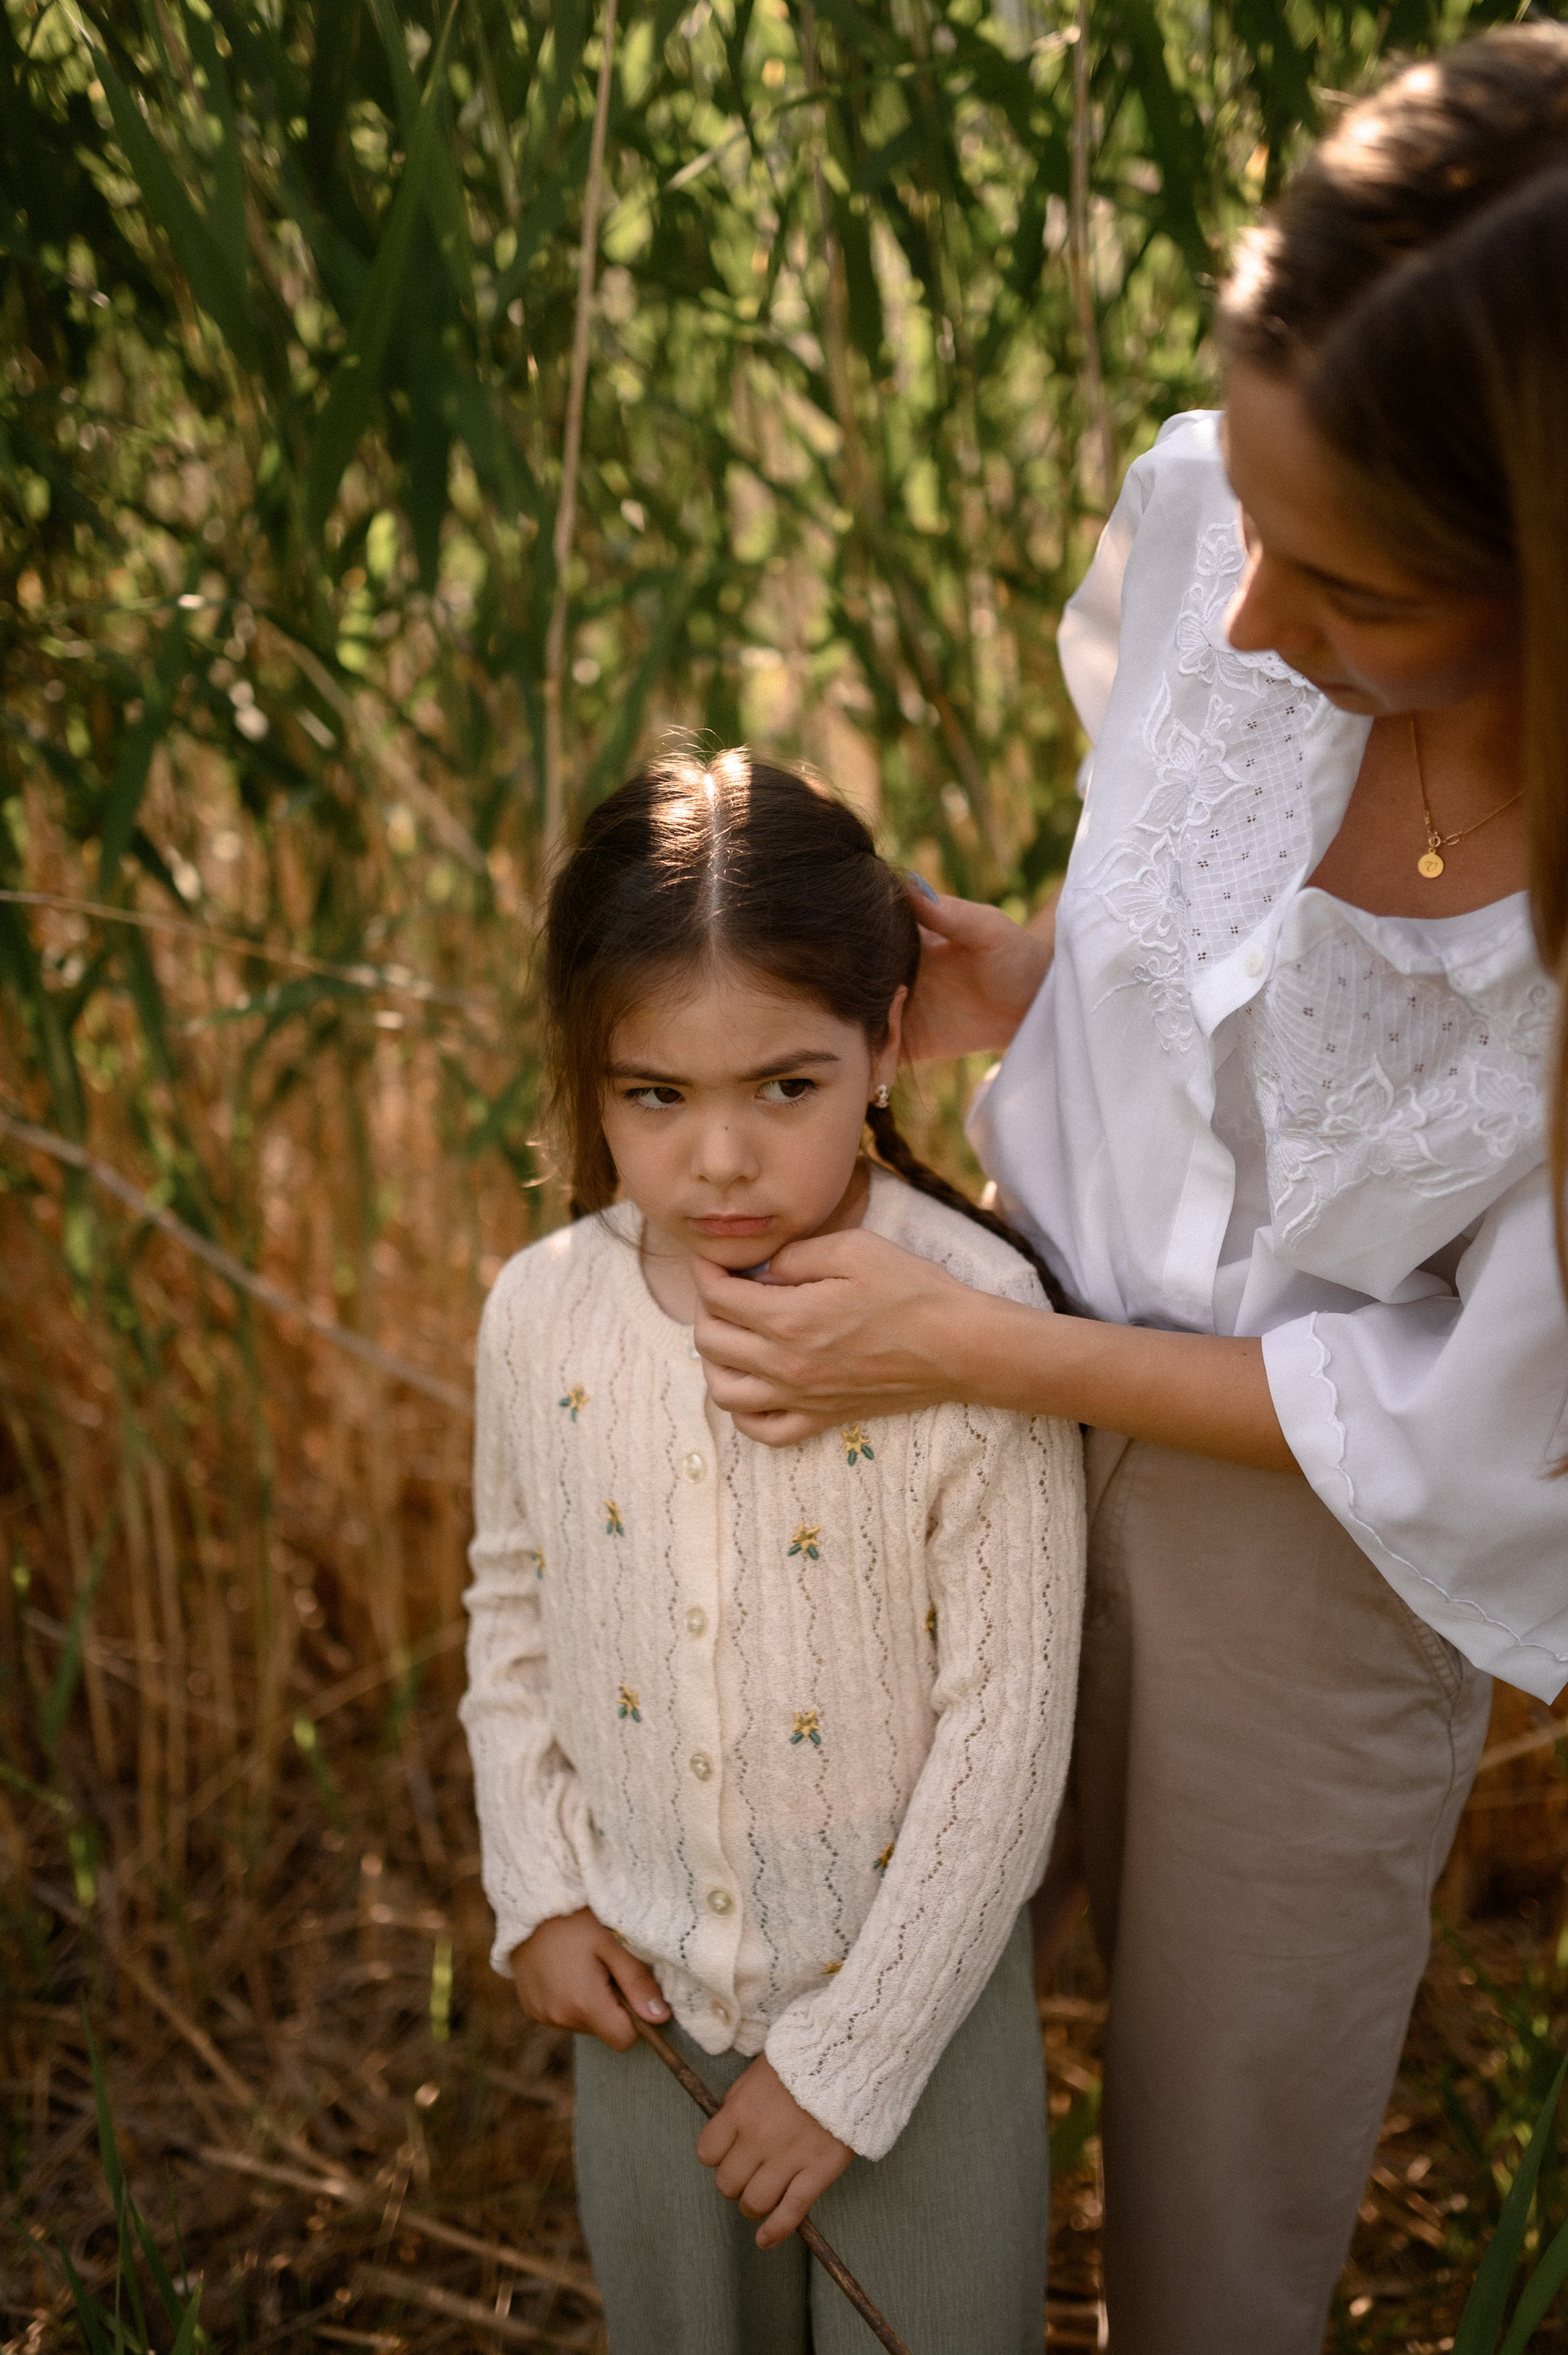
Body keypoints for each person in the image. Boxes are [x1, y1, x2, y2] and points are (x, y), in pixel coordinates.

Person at [687, 29, 1568, 2355]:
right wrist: (1041, 974)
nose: (1253, 614)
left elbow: (1487, 1406)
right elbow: (1247, 948)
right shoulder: (1231, 515)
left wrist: (985, 1347)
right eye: (1253, 521)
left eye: (1352, 584)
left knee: (1226, 2183)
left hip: (1310, 1522)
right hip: (962, 1365)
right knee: (857, 2005)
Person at [459, 752, 1085, 2354]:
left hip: (915, 2023)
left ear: (887, 1038)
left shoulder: (974, 1316)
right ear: (589, 1073)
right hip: (648, 2006)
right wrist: (535, 1885)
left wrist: (852, 2056)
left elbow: (1007, 1726)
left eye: (785, 1087)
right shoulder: (546, 1313)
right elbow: (514, 1597)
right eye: (654, 1094)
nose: (716, 1160)